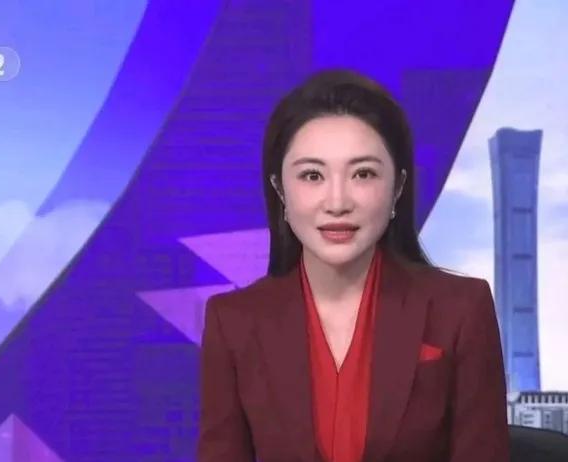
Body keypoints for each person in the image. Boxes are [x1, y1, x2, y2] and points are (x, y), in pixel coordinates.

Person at [196, 69, 508, 462]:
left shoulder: (461, 309)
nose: (337, 202)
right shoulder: (234, 321)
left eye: (363, 174)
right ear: (280, 190)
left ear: (397, 187)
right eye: (312, 175)